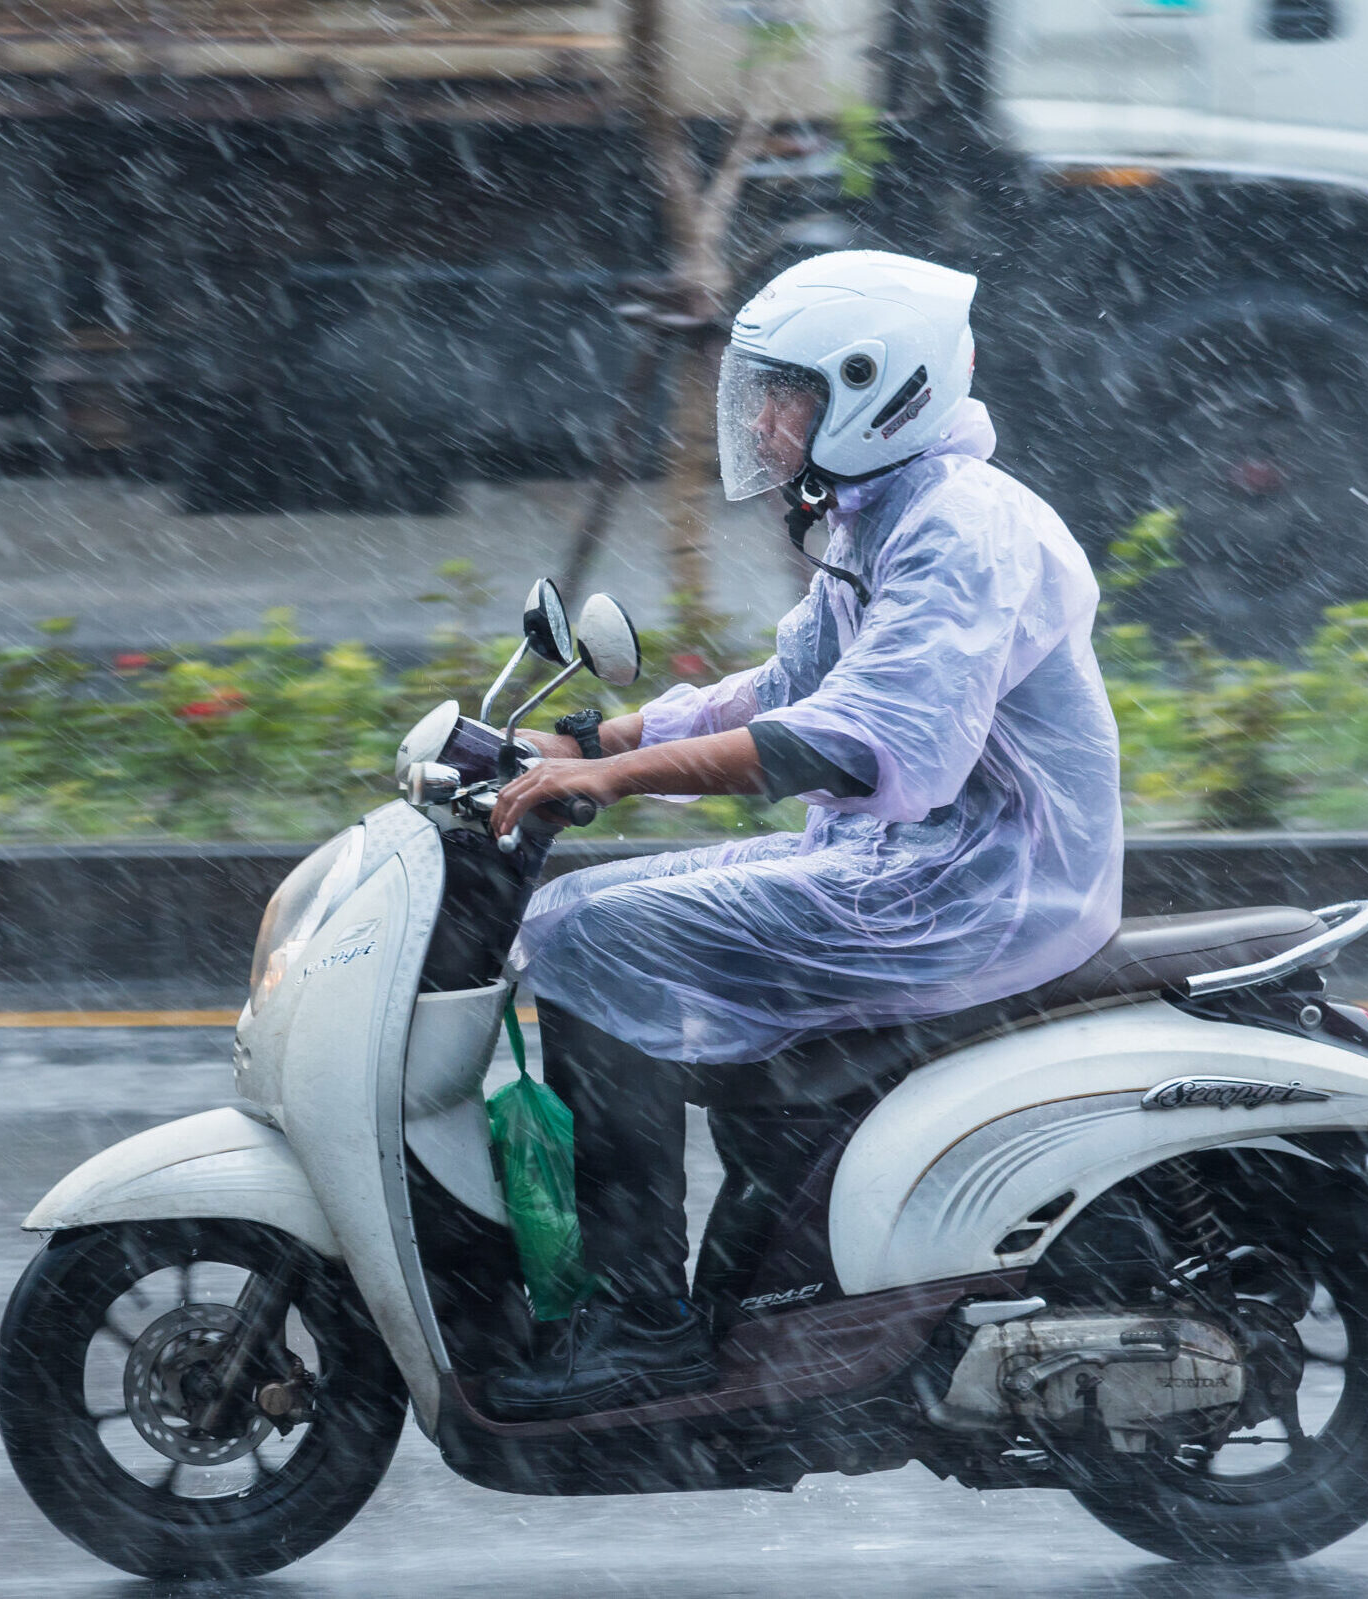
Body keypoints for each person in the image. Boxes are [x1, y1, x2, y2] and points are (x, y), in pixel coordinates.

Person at [479, 250, 1124, 1420]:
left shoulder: (960, 531)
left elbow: (862, 743)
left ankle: (642, 1324)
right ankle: (760, 1242)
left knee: (591, 939)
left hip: (974, 890)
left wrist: (620, 776)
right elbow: (791, 686)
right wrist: (598, 734)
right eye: (764, 391)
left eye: (791, 393)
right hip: (906, 865)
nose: (764, 420)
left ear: (884, 389)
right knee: (581, 917)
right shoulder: (882, 513)